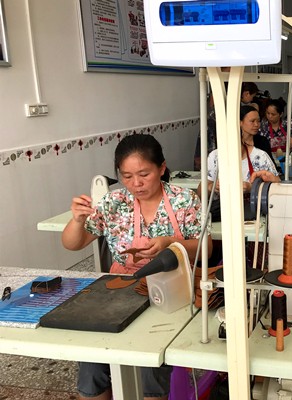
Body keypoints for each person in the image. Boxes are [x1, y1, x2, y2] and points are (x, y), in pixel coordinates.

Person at [62, 134, 211, 400]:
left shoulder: (184, 200)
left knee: (150, 366)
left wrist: (170, 243)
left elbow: (205, 248)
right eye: (127, 176)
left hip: (170, 291)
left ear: (161, 168)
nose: (136, 183)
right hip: (121, 289)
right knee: (91, 361)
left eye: (144, 174)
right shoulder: (113, 203)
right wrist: (77, 220)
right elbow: (74, 243)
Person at [205, 105, 279, 196]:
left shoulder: (260, 155)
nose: (256, 125)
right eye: (252, 121)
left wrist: (252, 188)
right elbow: (202, 190)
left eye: (258, 121)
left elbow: (276, 184)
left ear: (242, 140)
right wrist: (211, 187)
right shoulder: (215, 156)